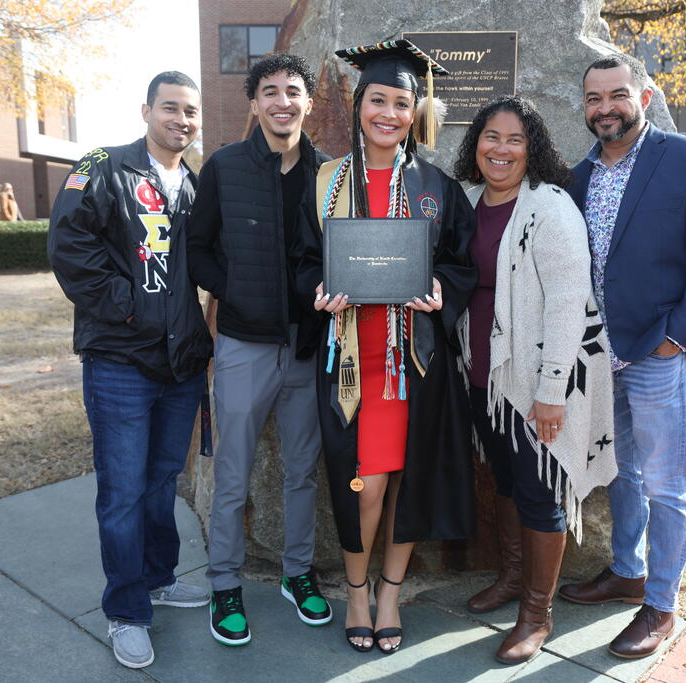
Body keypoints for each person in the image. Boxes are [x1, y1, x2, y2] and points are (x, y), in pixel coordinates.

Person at [560, 53, 686, 659]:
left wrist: (674, 340)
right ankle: (627, 570)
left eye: (616, 95)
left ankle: (661, 605)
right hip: (598, 358)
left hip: (657, 355)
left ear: (644, 96)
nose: (604, 108)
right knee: (624, 471)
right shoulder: (580, 176)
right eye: (593, 98)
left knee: (668, 483)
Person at [300, 39, 478, 655]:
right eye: (378, 100)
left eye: (402, 103)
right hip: (352, 358)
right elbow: (300, 262)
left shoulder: (435, 185)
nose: (390, 114)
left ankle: (390, 595)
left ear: (415, 111)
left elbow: (461, 265)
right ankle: (356, 589)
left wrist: (438, 291)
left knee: (409, 482)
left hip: (416, 361)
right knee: (366, 484)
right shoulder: (324, 181)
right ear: (359, 105)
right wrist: (318, 290)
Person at [47, 71, 212, 670]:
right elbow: (69, 249)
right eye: (170, 108)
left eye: (190, 111)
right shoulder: (101, 164)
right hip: (120, 360)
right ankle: (126, 610)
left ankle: (158, 578)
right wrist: (131, 310)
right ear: (146, 109)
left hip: (181, 363)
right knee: (120, 490)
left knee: (161, 480)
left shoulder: (195, 183)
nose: (182, 120)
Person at [450, 95, 617, 665]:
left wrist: (549, 391)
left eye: (514, 140)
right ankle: (512, 579)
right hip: (485, 374)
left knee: (541, 491)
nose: (500, 149)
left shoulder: (549, 207)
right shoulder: (469, 201)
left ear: (532, 150)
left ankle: (536, 613)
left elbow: (570, 302)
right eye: (491, 137)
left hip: (538, 381)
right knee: (504, 478)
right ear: (477, 144)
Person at [186, 53, 333, 647]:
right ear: (254, 104)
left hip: (306, 348)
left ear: (307, 102)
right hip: (244, 345)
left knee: (303, 472)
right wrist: (235, 291)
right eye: (269, 91)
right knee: (233, 474)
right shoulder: (224, 167)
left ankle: (298, 574)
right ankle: (224, 583)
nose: (282, 101)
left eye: (292, 91)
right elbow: (196, 249)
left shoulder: (328, 173)